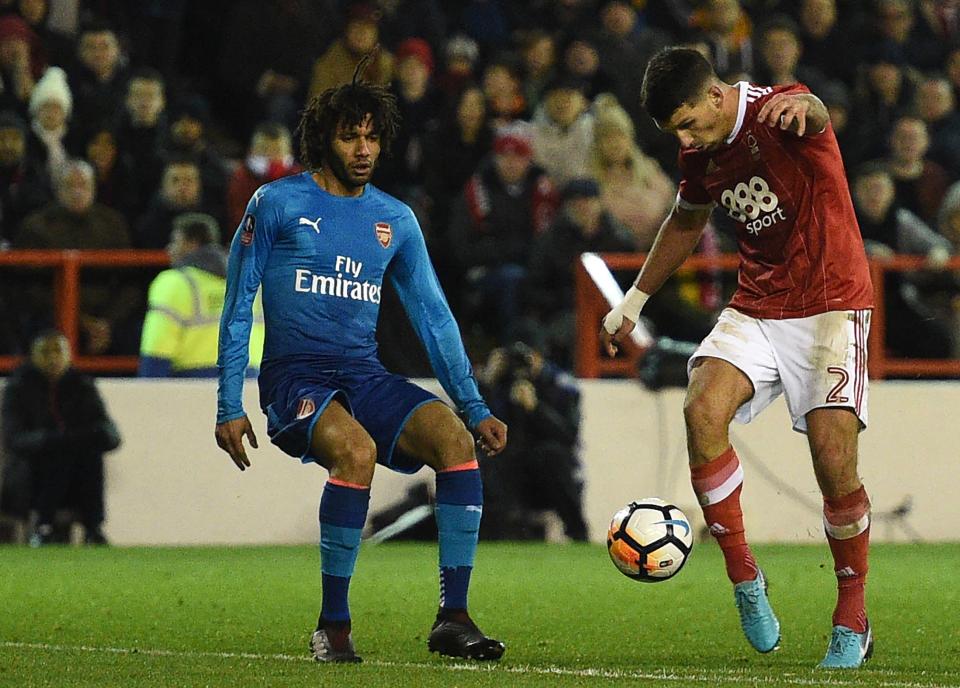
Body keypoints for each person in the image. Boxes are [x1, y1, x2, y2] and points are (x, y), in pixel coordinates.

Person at [214, 65, 508, 664]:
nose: (364, 149)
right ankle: (334, 627)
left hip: (363, 374)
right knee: (356, 452)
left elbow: (433, 315)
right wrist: (228, 403)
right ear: (325, 138)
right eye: (351, 136)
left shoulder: (395, 219)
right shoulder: (276, 202)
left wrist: (474, 405)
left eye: (372, 137)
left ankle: (453, 618)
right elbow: (238, 304)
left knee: (455, 441)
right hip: (296, 377)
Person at [600, 48, 875, 669]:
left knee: (834, 465)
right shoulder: (698, 152)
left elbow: (816, 113)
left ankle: (852, 615)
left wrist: (807, 108)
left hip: (831, 303)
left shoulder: (780, 112)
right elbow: (685, 219)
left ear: (717, 96)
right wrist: (634, 301)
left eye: (689, 123)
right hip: (758, 302)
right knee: (701, 412)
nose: (686, 139)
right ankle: (747, 581)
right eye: (676, 132)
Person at [1, 330, 121, 546]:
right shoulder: (19, 388)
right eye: (46, 352)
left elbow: (111, 436)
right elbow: (16, 440)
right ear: (34, 356)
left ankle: (93, 528)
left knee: (87, 455)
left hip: (76, 472)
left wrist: (86, 438)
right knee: (59, 454)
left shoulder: (82, 386)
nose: (53, 358)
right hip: (31, 474)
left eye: (58, 351)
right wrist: (53, 441)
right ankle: (44, 525)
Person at [476, 342, 587, 542]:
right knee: (486, 461)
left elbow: (568, 435)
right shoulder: (496, 383)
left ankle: (578, 532)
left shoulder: (558, 384)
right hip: (508, 463)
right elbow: (468, 427)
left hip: (546, 468)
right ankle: (496, 532)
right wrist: (486, 384)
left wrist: (536, 408)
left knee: (553, 456)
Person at [139, 213, 264, 377]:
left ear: (192, 244)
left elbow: (157, 348)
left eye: (175, 241)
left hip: (191, 384)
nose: (169, 249)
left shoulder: (175, 282)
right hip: (248, 381)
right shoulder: (250, 281)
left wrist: (148, 388)